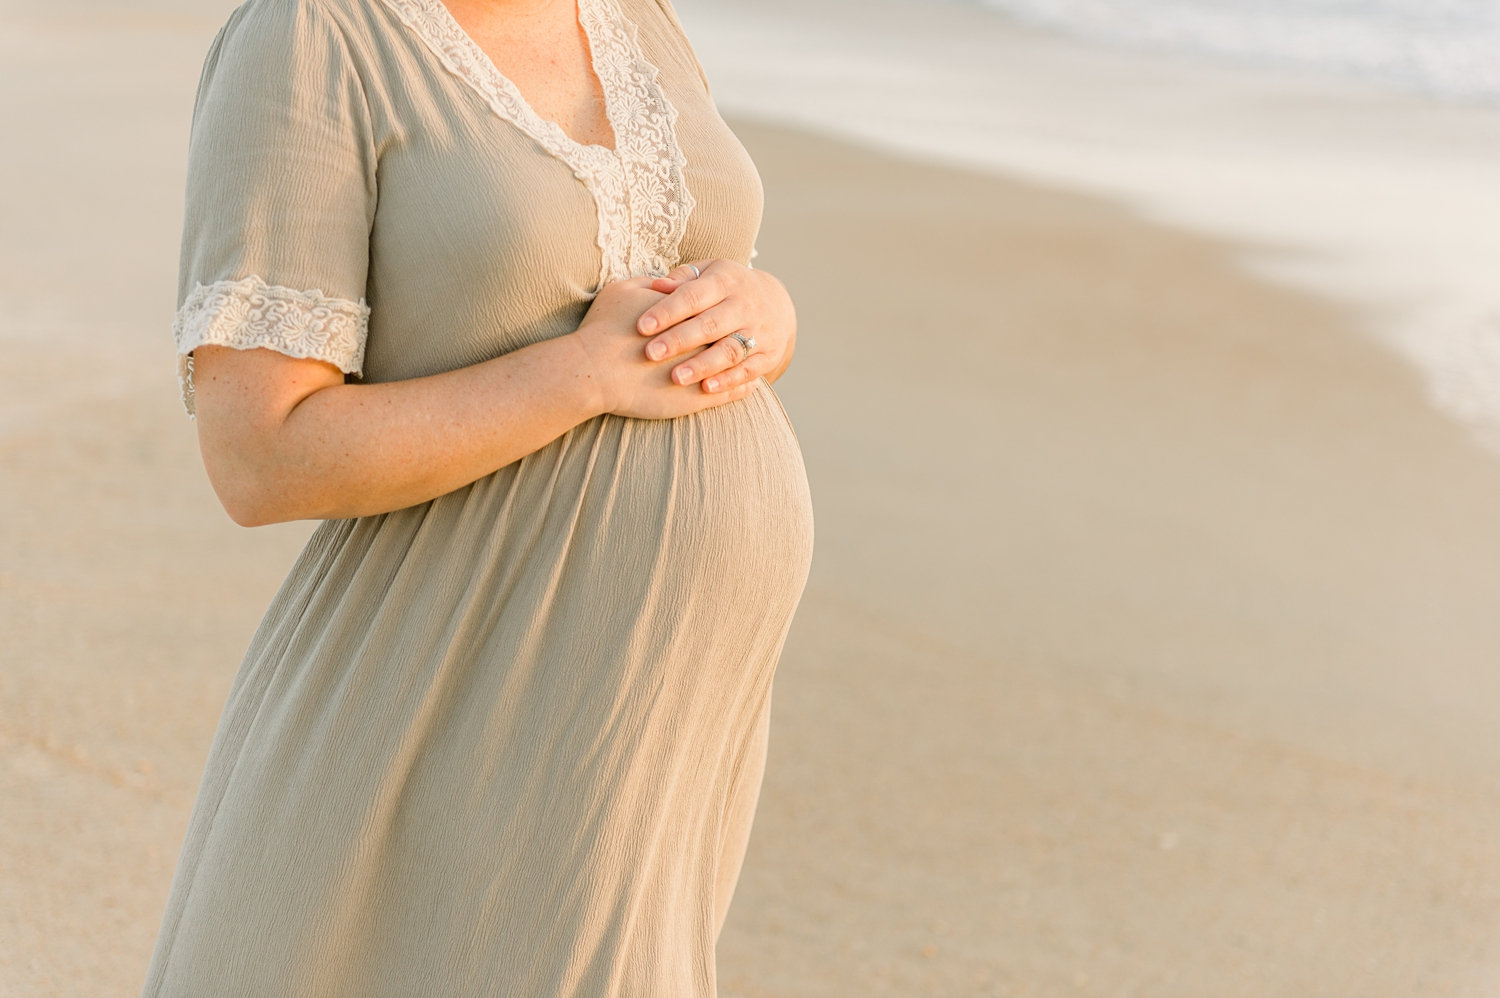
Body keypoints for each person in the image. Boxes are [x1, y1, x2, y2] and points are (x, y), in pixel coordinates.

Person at [139, 0, 814, 993]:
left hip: (650, 721)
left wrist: (769, 315)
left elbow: (682, 294)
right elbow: (258, 455)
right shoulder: (308, 39)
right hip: (455, 677)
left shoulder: (634, 15)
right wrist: (578, 375)